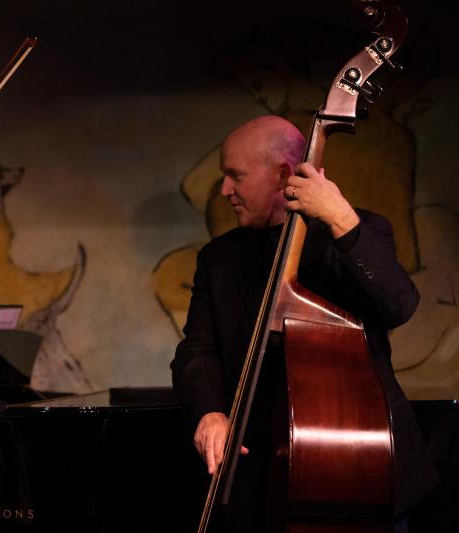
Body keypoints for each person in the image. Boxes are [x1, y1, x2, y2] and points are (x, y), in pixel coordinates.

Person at [171, 116, 438, 531]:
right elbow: (197, 350)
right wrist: (209, 412)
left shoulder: (355, 232)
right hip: (261, 475)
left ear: (281, 174)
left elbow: (399, 306)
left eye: (234, 175)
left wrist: (339, 218)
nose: (225, 190)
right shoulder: (218, 258)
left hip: (361, 469)